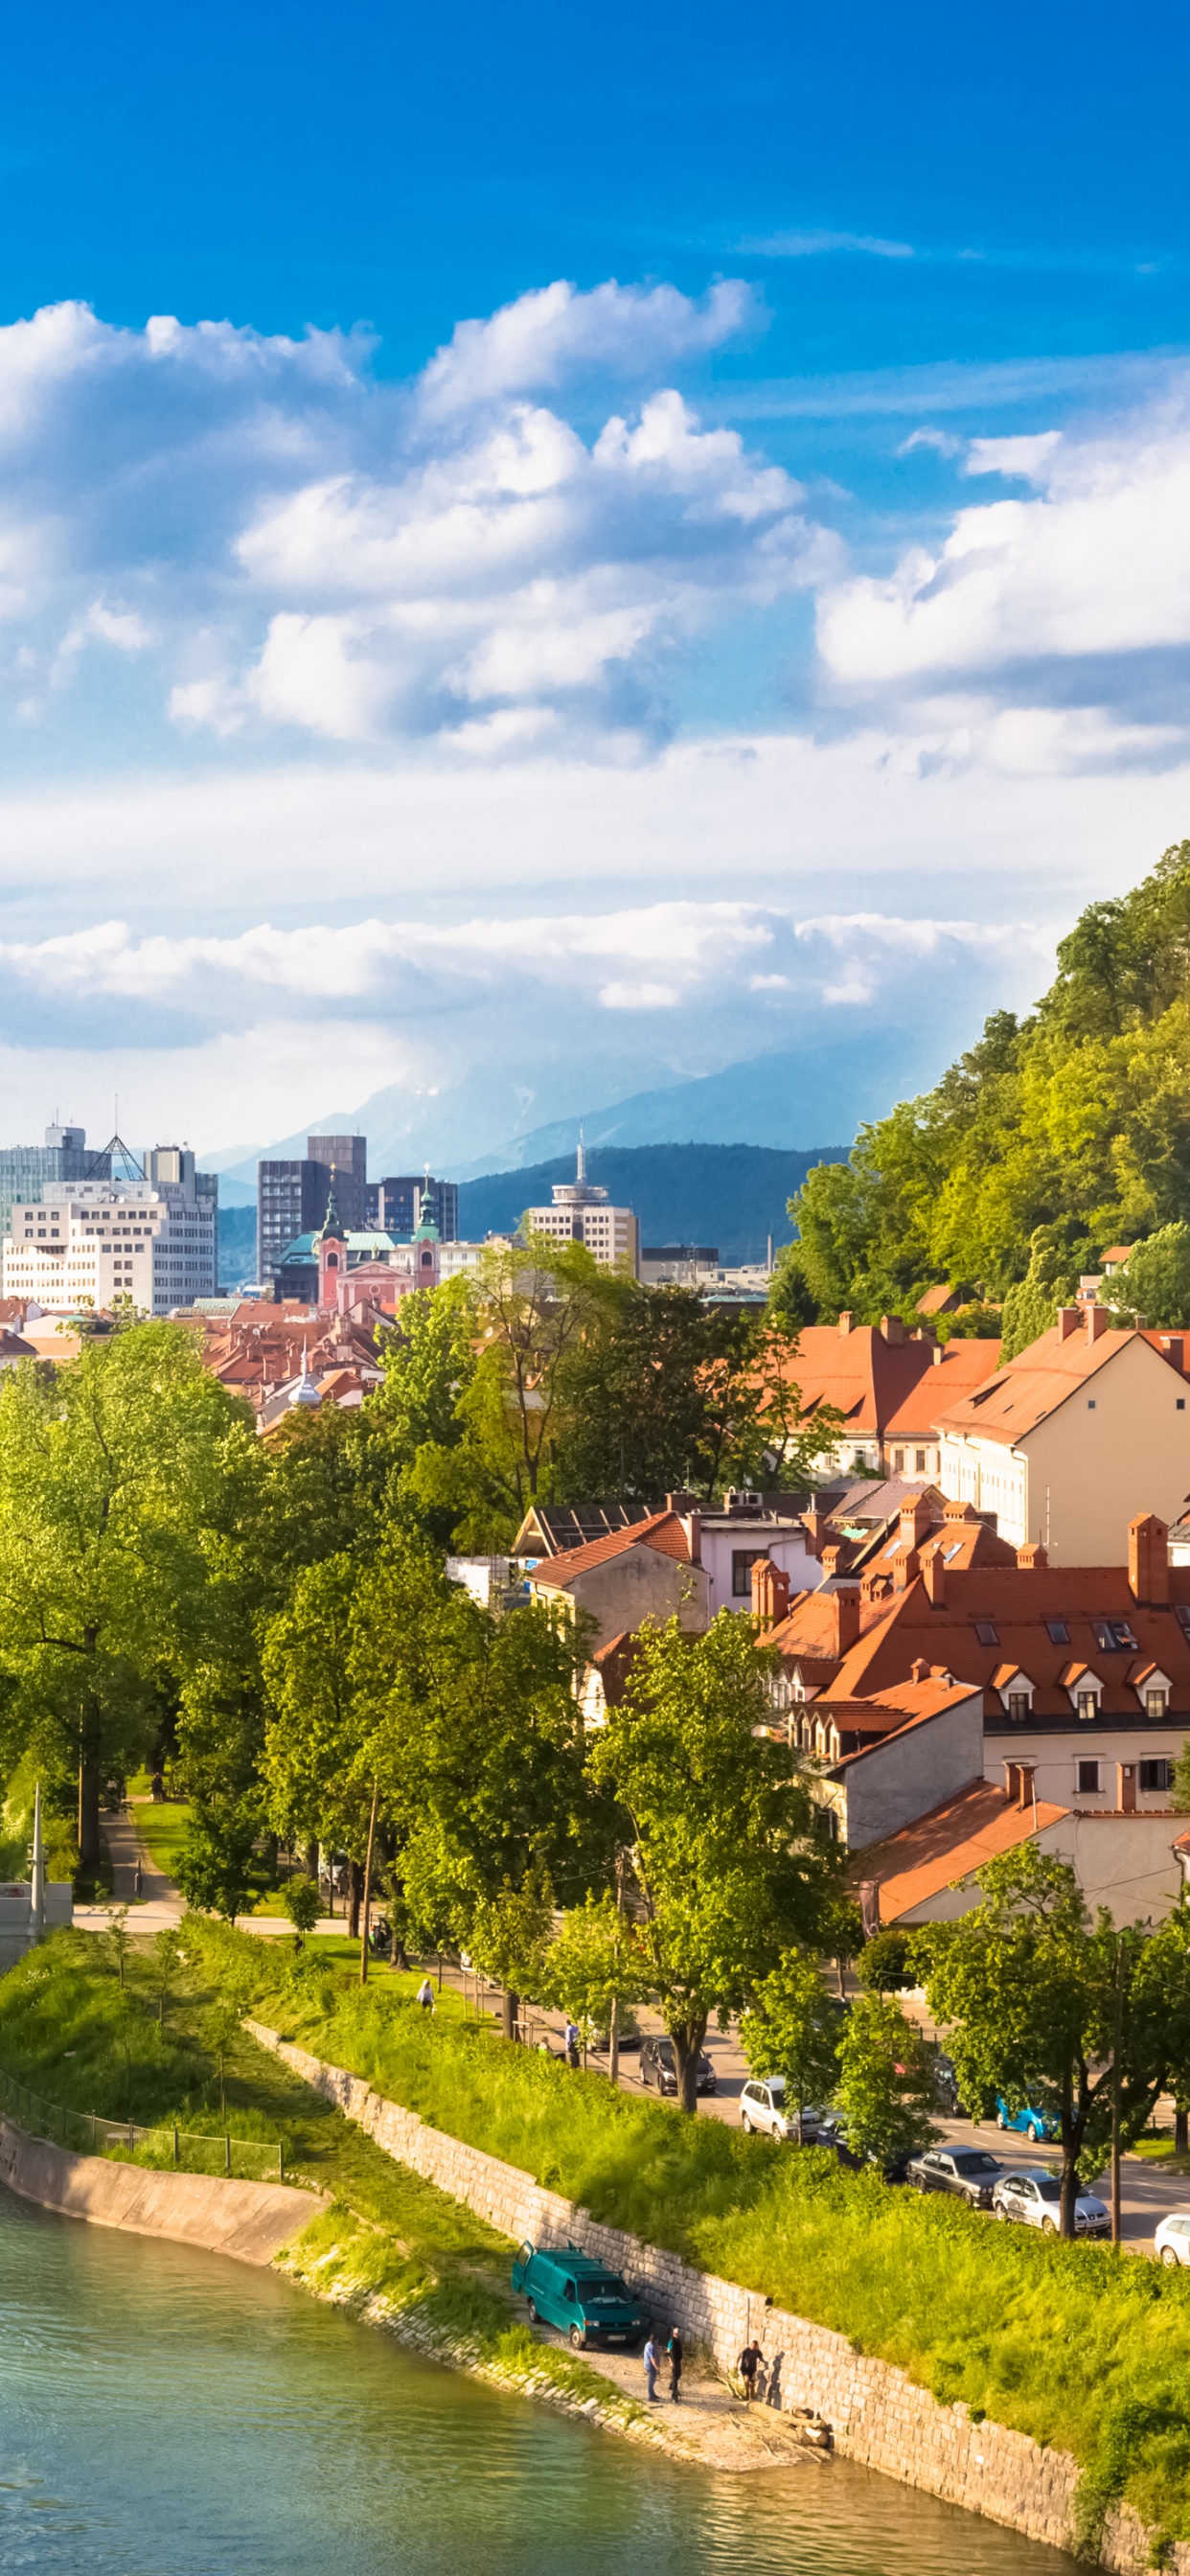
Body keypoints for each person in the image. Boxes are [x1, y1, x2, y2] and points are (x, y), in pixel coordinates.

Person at [738, 2338, 764, 2402]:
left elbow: (761, 2357)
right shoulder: (746, 2350)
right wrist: (736, 2364)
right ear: (751, 2344)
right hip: (745, 2368)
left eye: (755, 2346)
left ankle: (750, 2398)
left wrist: (764, 2362)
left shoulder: (757, 2352)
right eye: (753, 2345)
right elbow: (739, 2356)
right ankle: (746, 2393)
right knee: (747, 2379)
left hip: (752, 2369)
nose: (753, 2347)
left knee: (752, 2384)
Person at [642, 2332, 661, 2403]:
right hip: (651, 2367)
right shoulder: (651, 2347)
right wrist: (656, 2367)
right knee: (651, 2382)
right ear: (655, 2340)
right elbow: (652, 2358)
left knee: (652, 2381)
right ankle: (651, 2397)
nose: (657, 2341)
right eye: (657, 2340)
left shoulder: (648, 2344)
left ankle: (653, 2394)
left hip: (648, 2365)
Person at [667, 2327, 683, 2404]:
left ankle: (671, 2385)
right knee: (675, 2376)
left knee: (679, 2374)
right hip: (673, 2361)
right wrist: (670, 2362)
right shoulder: (671, 2342)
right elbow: (668, 2353)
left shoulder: (678, 2341)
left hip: (677, 2360)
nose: (678, 2335)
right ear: (674, 2334)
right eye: (677, 2334)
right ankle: (674, 2394)